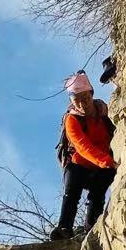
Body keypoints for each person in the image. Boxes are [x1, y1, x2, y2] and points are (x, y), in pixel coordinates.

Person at [50, 70, 116, 240]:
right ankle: (64, 228)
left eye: (85, 99)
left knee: (98, 193)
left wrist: (108, 163)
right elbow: (82, 146)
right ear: (71, 102)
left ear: (92, 94)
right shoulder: (71, 120)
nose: (82, 104)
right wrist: (107, 161)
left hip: (103, 166)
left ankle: (92, 228)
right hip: (79, 164)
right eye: (76, 101)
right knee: (71, 191)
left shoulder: (105, 113)